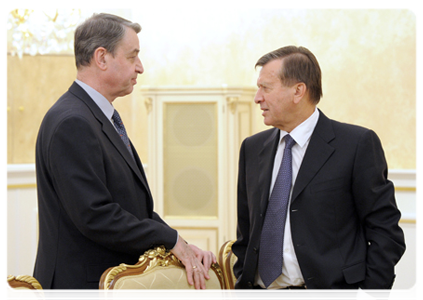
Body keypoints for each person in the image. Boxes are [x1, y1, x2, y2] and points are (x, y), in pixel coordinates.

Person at [33, 13, 216, 300]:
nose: (140, 67)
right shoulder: (73, 122)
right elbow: (96, 215)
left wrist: (181, 244)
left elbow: (132, 208)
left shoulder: (98, 116)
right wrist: (169, 240)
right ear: (101, 58)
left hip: (110, 284)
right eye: (133, 57)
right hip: (82, 288)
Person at [232, 46, 405, 300]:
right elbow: (246, 232)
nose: (257, 97)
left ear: (298, 91)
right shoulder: (252, 148)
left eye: (265, 88)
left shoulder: (356, 145)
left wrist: (368, 295)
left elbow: (385, 231)